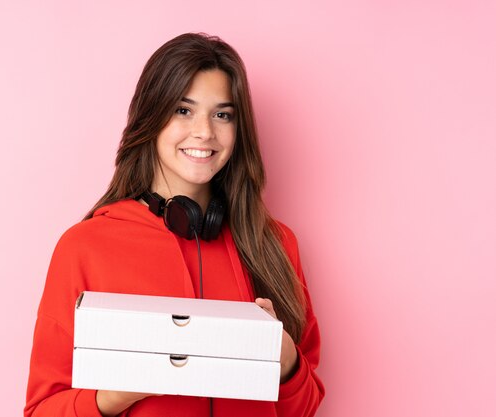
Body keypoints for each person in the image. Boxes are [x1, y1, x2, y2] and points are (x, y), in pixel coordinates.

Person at [24, 33, 324, 417]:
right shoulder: (85, 247)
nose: (204, 132)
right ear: (151, 118)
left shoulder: (275, 244)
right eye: (183, 110)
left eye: (222, 114)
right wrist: (115, 395)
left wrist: (286, 363)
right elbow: (42, 410)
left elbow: (306, 407)